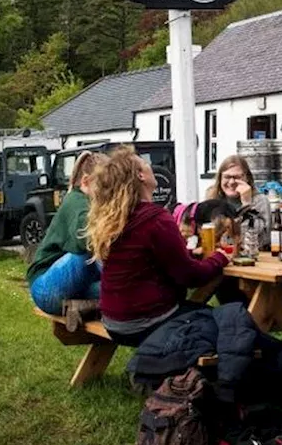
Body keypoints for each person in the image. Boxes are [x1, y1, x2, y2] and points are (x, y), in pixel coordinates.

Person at [88, 148, 231, 345]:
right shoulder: (155, 218)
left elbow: (146, 258)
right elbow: (190, 276)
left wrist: (189, 253)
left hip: (113, 322)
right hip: (146, 322)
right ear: (140, 175)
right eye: (146, 164)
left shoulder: (116, 218)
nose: (152, 167)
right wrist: (220, 257)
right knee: (229, 322)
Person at [26, 151, 108, 329]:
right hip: (46, 287)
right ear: (86, 183)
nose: (108, 192)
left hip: (71, 287)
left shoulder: (89, 203)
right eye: (104, 186)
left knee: (120, 291)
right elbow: (85, 241)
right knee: (87, 255)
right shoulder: (77, 202)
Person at [206, 155, 272, 254]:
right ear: (220, 179)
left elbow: (260, 241)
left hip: (253, 260)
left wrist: (247, 205)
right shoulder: (212, 199)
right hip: (219, 258)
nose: (232, 182)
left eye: (237, 177)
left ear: (247, 178)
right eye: (227, 177)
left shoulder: (260, 201)